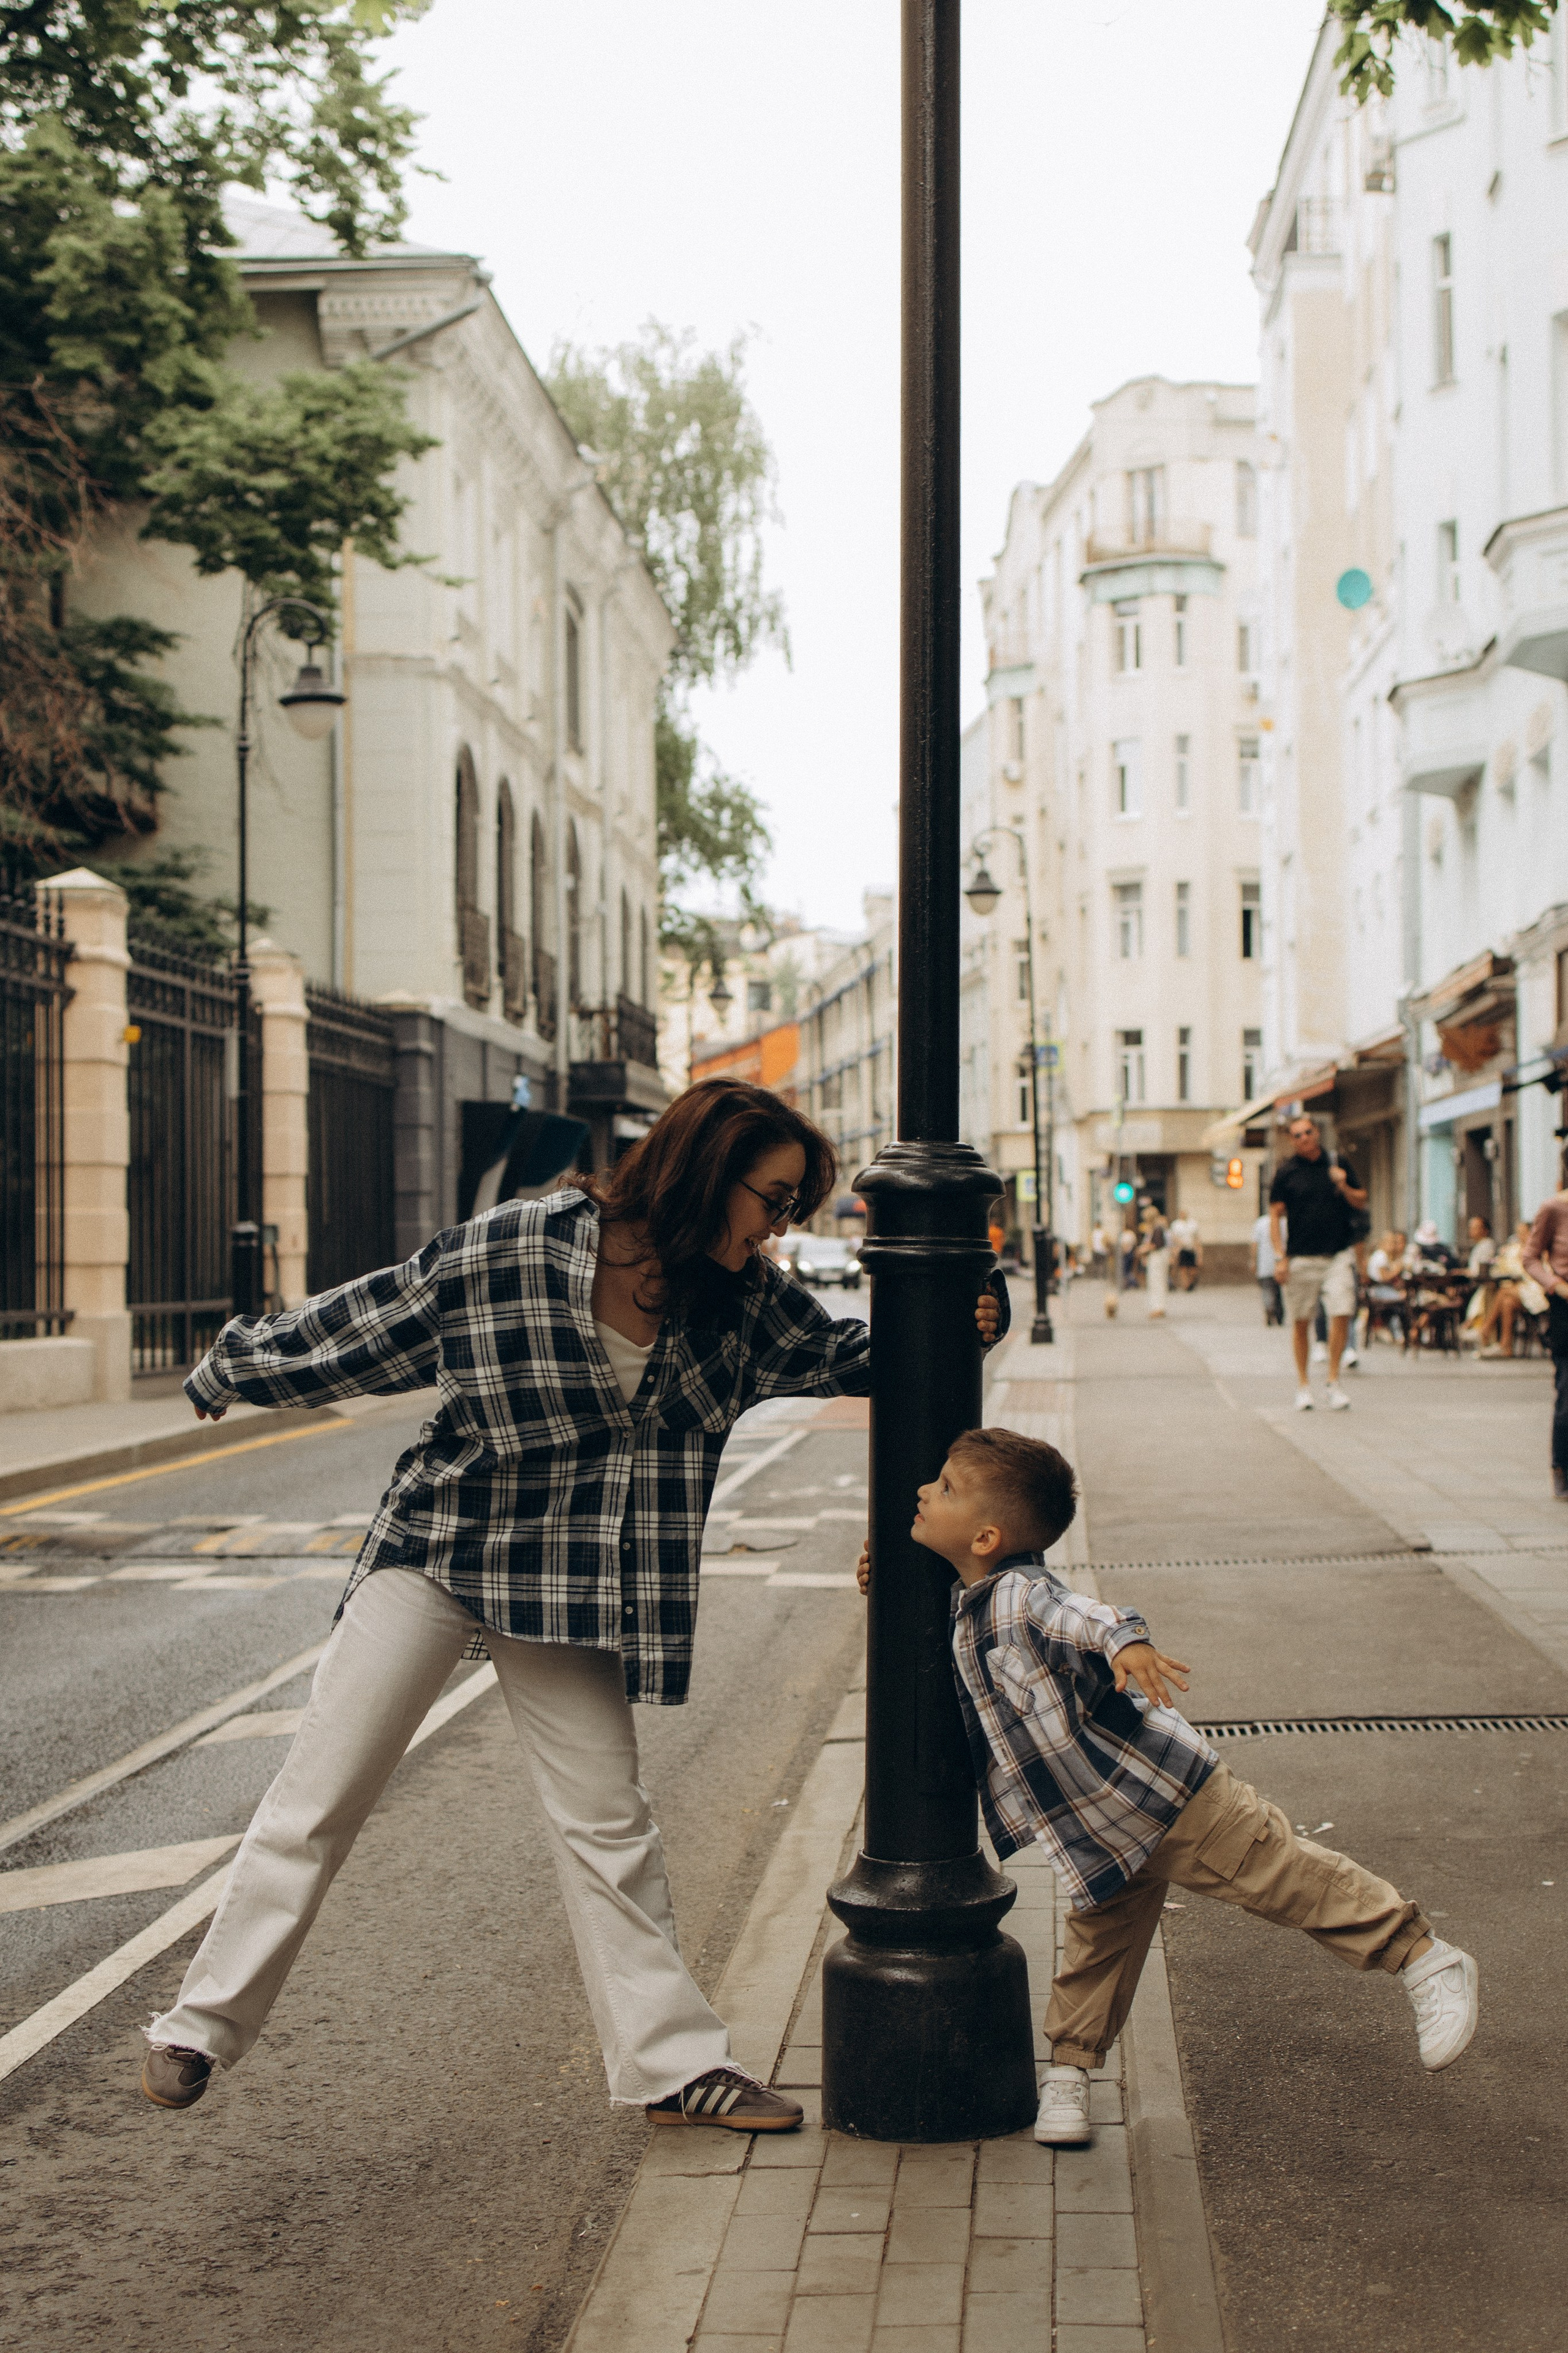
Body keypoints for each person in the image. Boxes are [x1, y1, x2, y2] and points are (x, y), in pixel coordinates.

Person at [138, 1077, 1008, 2125]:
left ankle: (674, 2067)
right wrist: (233, 1364)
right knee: (321, 1791)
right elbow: (371, 1325)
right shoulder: (520, 1246)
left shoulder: (741, 1303)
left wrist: (961, 1315)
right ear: (704, 1170)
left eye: (791, 1210)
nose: (779, 1230)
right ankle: (199, 2025)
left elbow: (854, 1357)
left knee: (608, 1824)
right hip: (442, 1550)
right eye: (772, 1200)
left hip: (574, 1586)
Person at [858, 1427, 1478, 2148]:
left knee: (1288, 1878)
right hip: (1097, 1833)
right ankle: (1069, 2070)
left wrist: (1127, 1640)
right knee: (1095, 1953)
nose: (925, 1490)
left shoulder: (1021, 1596)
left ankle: (1424, 1957)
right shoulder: (968, 1602)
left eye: (946, 1487)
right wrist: (889, 1579)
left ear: (989, 1535)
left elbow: (1082, 1615)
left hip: (1170, 1802)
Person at [1268, 1115, 1367, 1411]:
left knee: (1342, 1311)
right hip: (1300, 1257)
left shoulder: (1337, 1162)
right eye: (1297, 1135)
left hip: (1337, 1254)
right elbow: (1275, 1215)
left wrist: (1344, 1185)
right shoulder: (1286, 1173)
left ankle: (1333, 1380)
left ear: (1317, 1133)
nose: (1304, 1139)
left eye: (1308, 1132)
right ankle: (1303, 1385)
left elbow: (1361, 1200)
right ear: (1291, 1140)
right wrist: (1279, 1257)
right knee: (1301, 1323)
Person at [1525, 1165, 1568, 1499]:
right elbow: (1530, 1258)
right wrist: (1556, 1285)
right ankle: (1562, 1470)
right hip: (1566, 1308)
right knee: (1567, 1391)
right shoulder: (1554, 1208)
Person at [1476, 1221, 1547, 1358]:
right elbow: (1508, 1268)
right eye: (1519, 1233)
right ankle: (1506, 1345)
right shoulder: (1516, 1248)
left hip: (1537, 1291)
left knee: (1504, 1292)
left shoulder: (1538, 1249)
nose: (1520, 1236)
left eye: (1523, 1232)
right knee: (1507, 1303)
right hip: (1524, 1291)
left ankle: (1486, 1329)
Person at [1137, 1205, 1170, 1320]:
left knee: (1157, 1282)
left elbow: (1157, 1244)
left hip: (1158, 1257)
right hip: (1157, 1257)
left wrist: (1143, 1249)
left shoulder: (1157, 1228)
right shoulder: (1156, 1228)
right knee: (1157, 1282)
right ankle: (1158, 1307)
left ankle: (1158, 1308)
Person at [1253, 1209, 1282, 1325]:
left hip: (1264, 1263)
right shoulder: (1283, 1222)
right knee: (1278, 1291)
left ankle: (1269, 1308)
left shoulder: (1260, 1222)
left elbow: (1255, 1244)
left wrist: (1254, 1262)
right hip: (1279, 1263)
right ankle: (1279, 1314)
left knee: (1267, 1289)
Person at [1167, 1212, 1202, 1292]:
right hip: (1182, 1249)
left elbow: (1197, 1238)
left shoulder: (1193, 1224)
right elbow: (1173, 1237)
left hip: (1191, 1249)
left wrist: (1199, 1252)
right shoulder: (1176, 1224)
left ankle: (1190, 1283)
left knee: (1193, 1270)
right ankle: (1186, 1286)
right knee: (1183, 1268)